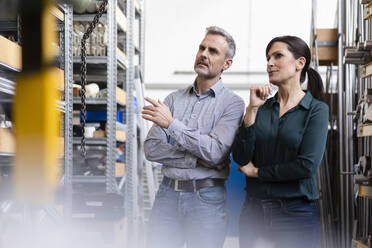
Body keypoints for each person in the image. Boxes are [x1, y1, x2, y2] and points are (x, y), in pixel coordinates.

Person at [142, 26, 245, 248]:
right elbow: (151, 148)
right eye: (202, 48)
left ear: (227, 64)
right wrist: (196, 159)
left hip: (206, 199)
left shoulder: (232, 104)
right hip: (166, 195)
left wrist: (171, 124)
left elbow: (215, 151)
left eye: (213, 51)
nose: (204, 54)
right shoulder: (173, 99)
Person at [232, 35, 329, 248]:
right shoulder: (261, 109)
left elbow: (306, 166)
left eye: (278, 56)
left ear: (299, 63)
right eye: (268, 58)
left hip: (296, 215)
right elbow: (240, 157)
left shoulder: (316, 110)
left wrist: (258, 173)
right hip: (253, 212)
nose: (269, 63)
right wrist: (252, 110)